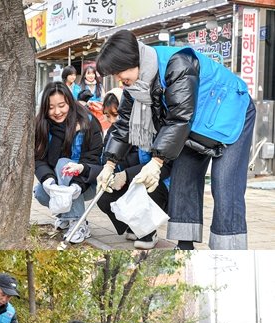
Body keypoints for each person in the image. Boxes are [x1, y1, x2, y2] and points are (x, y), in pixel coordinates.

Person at [96, 29, 256, 250]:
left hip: (230, 112)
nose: (118, 79)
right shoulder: (136, 86)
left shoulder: (178, 63)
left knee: (225, 185)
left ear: (133, 60)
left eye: (118, 72)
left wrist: (157, 161)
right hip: (194, 125)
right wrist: (110, 164)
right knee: (183, 180)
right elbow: (124, 123)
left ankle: (229, 252)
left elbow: (179, 118)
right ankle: (184, 249)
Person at [96, 87, 171, 249]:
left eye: (117, 115)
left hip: (158, 185)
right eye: (108, 116)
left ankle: (148, 231)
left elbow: (164, 167)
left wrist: (126, 175)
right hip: (127, 182)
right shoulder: (113, 134)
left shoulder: (151, 129)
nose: (113, 121)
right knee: (104, 197)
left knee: (144, 184)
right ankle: (132, 225)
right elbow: (104, 163)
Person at [34, 81, 103, 244]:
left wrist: (77, 182)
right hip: (59, 182)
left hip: (87, 182)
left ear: (70, 103)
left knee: (63, 164)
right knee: (41, 193)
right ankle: (64, 216)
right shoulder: (42, 125)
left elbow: (94, 158)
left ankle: (78, 223)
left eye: (61, 105)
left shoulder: (87, 121)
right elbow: (38, 158)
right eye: (51, 107)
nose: (57, 112)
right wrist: (48, 181)